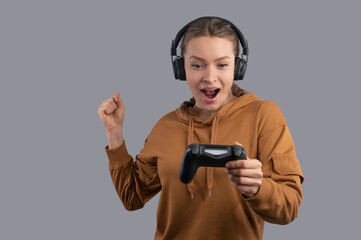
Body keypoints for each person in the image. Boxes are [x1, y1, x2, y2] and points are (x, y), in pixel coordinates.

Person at [97, 16, 304, 240]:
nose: (209, 77)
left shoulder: (264, 115)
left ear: (238, 67)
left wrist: (258, 188)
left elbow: (289, 208)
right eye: (197, 65)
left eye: (222, 65)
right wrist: (114, 132)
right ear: (180, 68)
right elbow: (132, 198)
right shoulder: (166, 126)